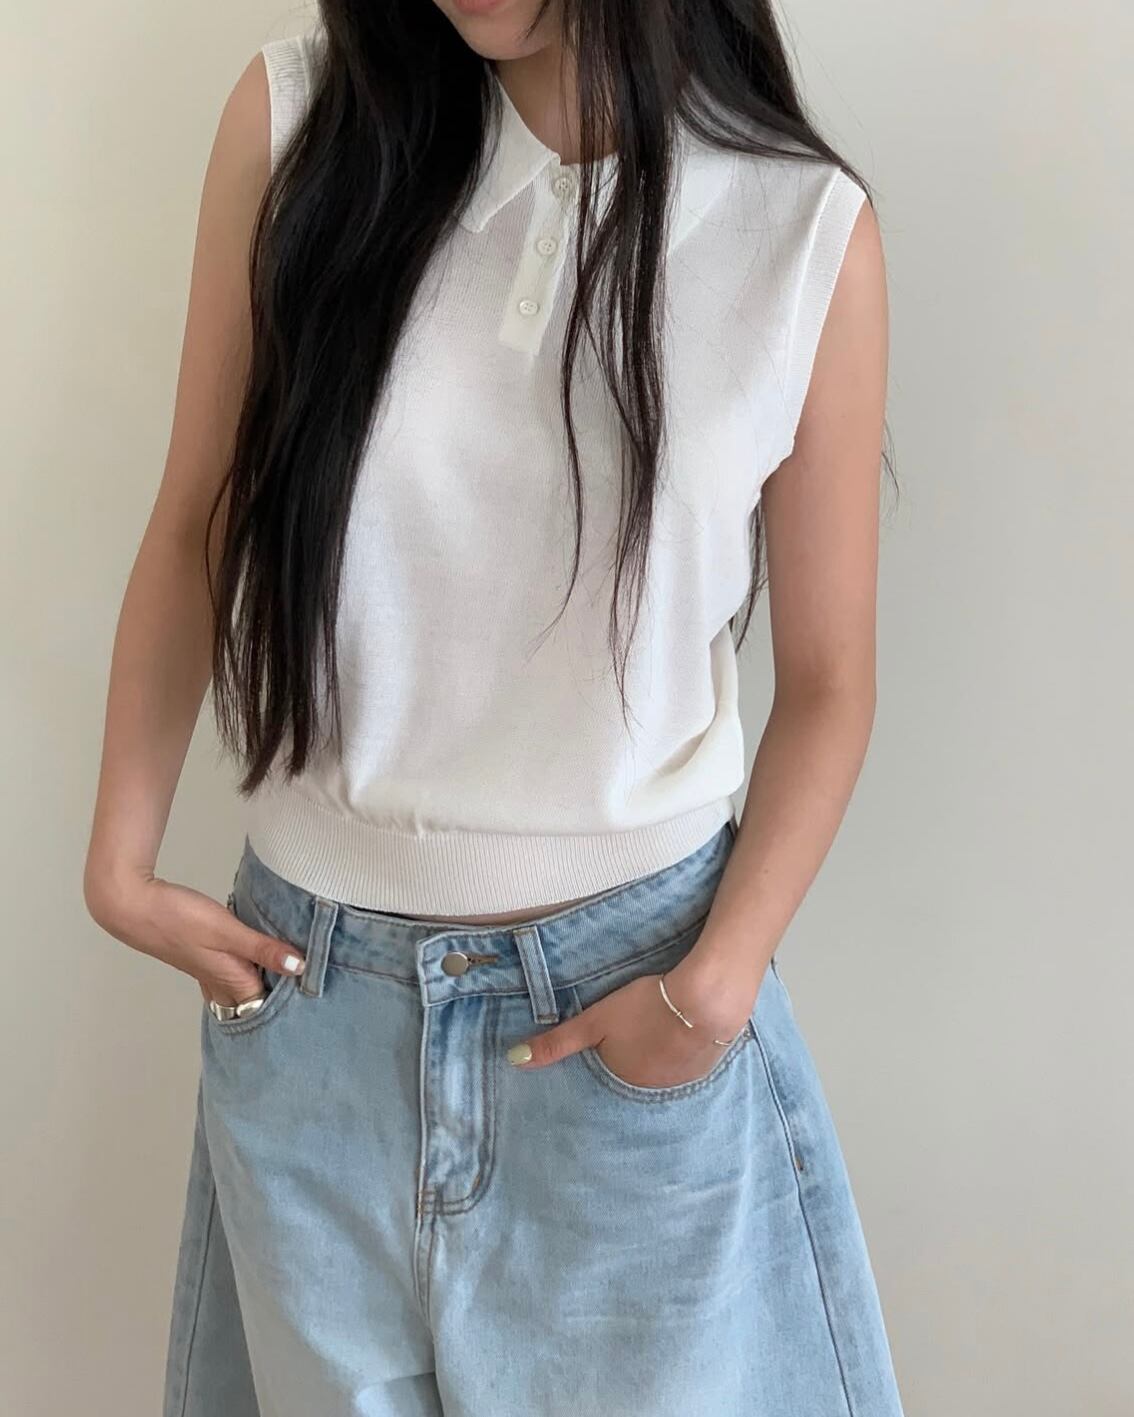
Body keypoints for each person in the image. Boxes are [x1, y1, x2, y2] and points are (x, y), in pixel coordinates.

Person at [84, 2, 903, 1413]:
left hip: (630, 1016)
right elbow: (196, 521)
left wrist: (713, 986)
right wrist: (118, 861)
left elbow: (829, 682)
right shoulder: (299, 124)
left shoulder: (801, 231)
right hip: (310, 1014)